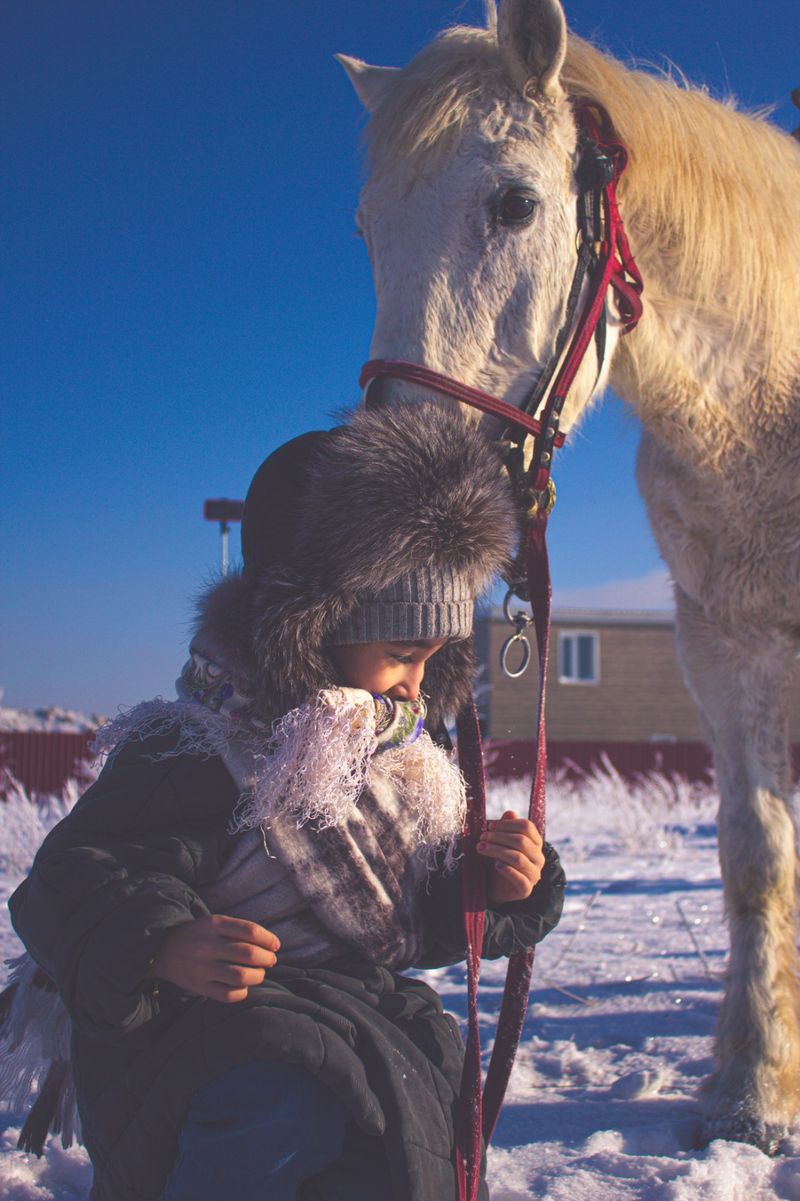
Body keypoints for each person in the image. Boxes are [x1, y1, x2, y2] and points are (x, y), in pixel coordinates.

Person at [7, 402, 566, 1201]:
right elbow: (67, 879)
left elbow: (404, 912)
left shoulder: (399, 765)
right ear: (315, 629)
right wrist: (163, 944)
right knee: (282, 1107)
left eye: (434, 658)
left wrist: (501, 882)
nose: (416, 684)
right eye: (400, 653)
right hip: (196, 1039)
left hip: (349, 1020)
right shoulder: (201, 748)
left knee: (401, 1124)